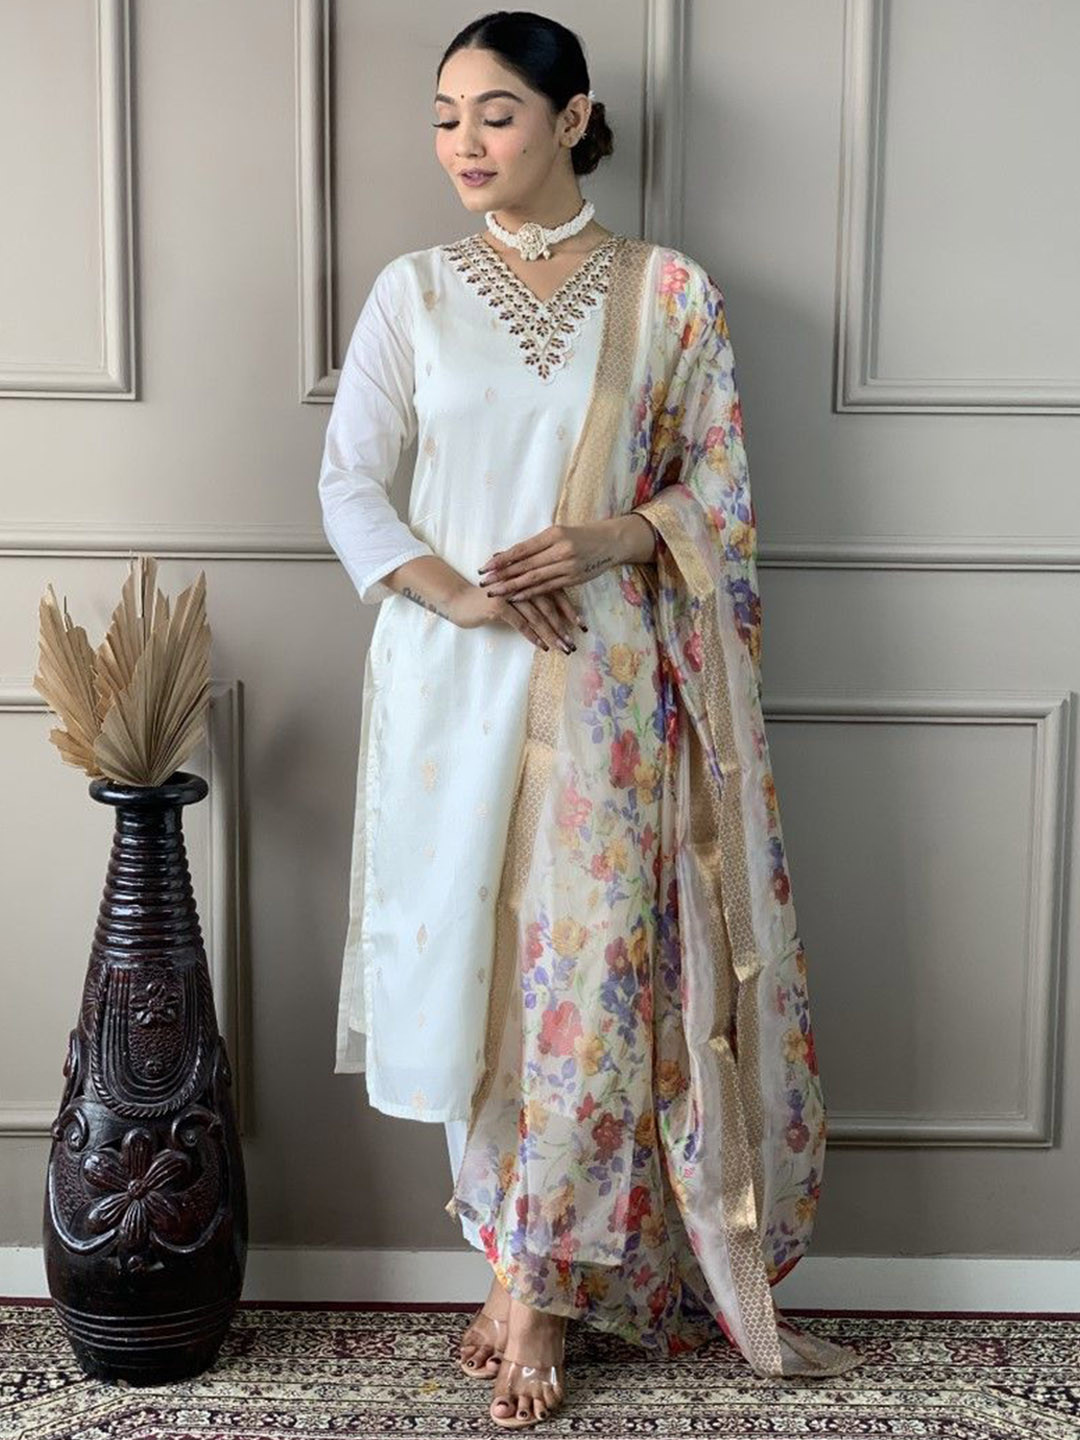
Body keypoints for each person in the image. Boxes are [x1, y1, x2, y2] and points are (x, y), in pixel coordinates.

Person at [318, 10, 865, 1429]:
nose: (462, 143)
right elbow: (349, 484)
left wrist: (616, 537)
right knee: (477, 977)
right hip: (451, 684)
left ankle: (544, 1286)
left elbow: (719, 501)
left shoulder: (670, 294)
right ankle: (506, 1253)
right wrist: (463, 596)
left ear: (571, 119)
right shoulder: (413, 292)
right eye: (445, 117)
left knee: (587, 979)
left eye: (494, 113)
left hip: (616, 685)